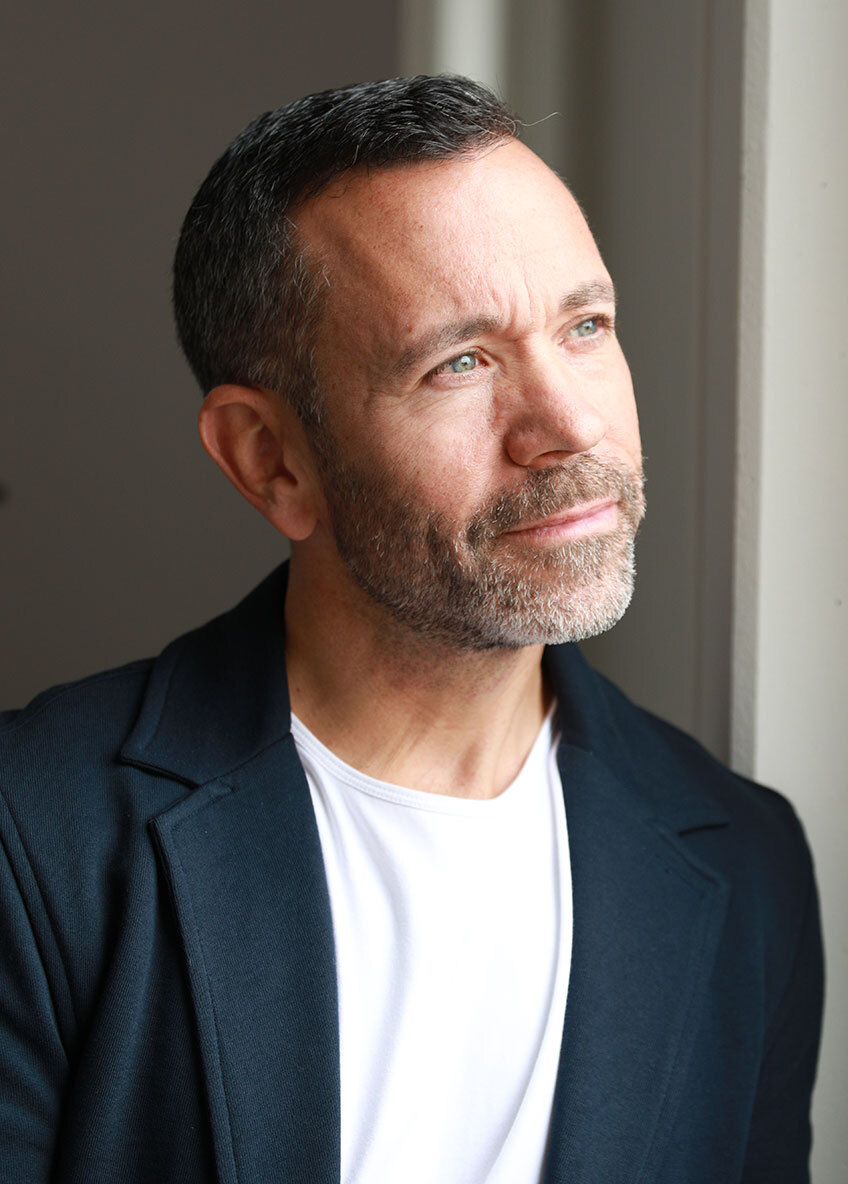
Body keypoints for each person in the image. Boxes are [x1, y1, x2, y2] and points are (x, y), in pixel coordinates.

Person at [0, 75, 823, 1183]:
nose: (572, 424)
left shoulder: (747, 862)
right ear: (270, 460)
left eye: (584, 325)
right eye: (459, 362)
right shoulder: (31, 836)